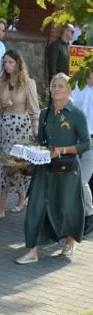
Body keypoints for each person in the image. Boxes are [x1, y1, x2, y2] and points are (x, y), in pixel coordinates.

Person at [16, 73, 90, 264]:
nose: (56, 89)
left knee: (66, 207)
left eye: (61, 86)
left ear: (69, 90)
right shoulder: (44, 113)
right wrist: (28, 155)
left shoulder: (76, 114)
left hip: (68, 169)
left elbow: (85, 143)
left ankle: (70, 239)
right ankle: (32, 250)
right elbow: (41, 142)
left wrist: (63, 150)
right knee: (35, 206)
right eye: (53, 85)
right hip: (44, 169)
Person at [0, 50, 40, 220]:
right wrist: (1, 104)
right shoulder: (1, 83)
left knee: (19, 166)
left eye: (10, 62)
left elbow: (34, 111)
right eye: (5, 62)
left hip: (22, 129)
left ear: (18, 63)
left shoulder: (28, 83)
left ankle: (15, 199)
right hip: (5, 128)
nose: (7, 65)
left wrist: (36, 133)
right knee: (5, 167)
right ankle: (7, 203)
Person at [72, 72, 93, 234]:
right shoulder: (77, 88)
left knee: (82, 180)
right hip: (75, 138)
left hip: (91, 141)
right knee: (73, 179)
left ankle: (89, 214)